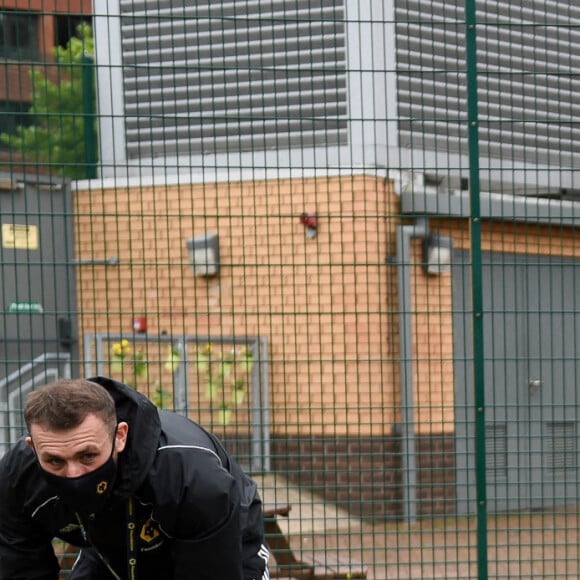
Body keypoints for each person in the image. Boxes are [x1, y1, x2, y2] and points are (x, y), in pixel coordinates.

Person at [0, 376, 270, 579]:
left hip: (219, 538)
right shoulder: (18, 480)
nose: (73, 475)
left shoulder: (192, 478)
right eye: (55, 460)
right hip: (110, 542)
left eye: (87, 456)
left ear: (120, 436)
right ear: (33, 447)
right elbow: (20, 568)